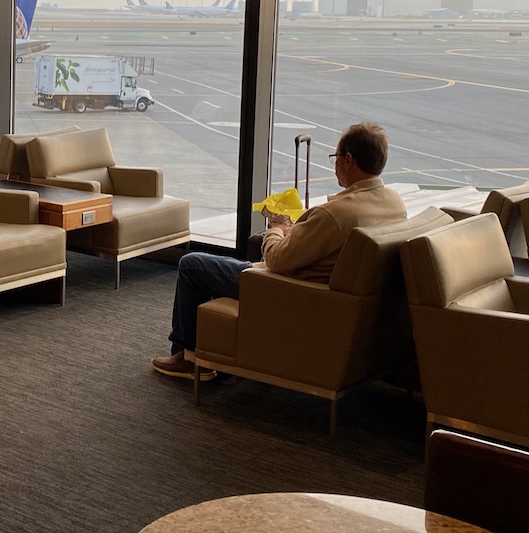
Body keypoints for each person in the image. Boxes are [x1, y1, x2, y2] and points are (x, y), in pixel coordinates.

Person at [151, 122, 407, 380]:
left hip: (285, 291)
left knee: (192, 264)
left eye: (336, 157)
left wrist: (276, 229)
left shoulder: (337, 214)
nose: (335, 164)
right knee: (224, 263)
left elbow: (276, 260)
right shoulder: (394, 203)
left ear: (349, 160)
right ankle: (215, 347)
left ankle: (188, 357)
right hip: (331, 297)